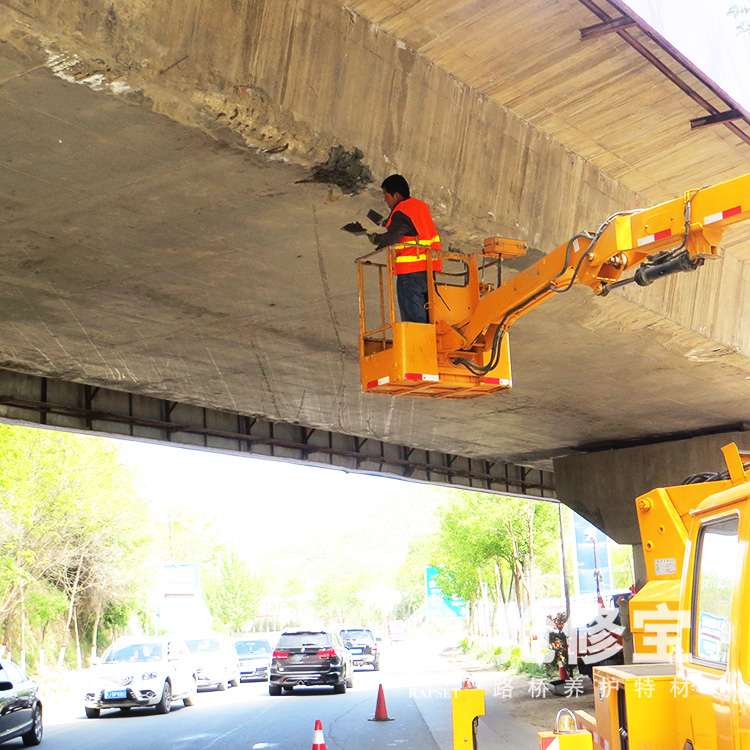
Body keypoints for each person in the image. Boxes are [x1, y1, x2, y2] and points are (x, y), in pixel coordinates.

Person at [372, 175, 442, 324]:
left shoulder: (402, 211)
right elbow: (413, 230)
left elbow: (392, 237)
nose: (385, 200)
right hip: (429, 271)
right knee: (429, 316)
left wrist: (376, 239)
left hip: (410, 273)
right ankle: (429, 344)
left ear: (396, 195)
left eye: (386, 195)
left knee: (413, 321)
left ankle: (419, 346)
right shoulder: (421, 207)